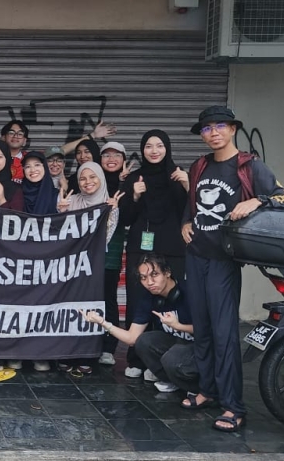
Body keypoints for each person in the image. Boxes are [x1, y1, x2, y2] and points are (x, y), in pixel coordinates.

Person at [182, 106, 284, 432]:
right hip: (196, 256)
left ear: (232, 129)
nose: (213, 132)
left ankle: (233, 406)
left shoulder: (249, 166)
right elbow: (190, 205)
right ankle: (207, 389)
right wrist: (184, 224)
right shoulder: (199, 166)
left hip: (223, 261)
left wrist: (257, 201)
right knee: (201, 329)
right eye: (206, 128)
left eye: (220, 126)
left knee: (223, 334)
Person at [118, 130, 188, 379]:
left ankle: (164, 361)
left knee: (172, 303)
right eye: (149, 146)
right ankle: (136, 359)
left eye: (159, 145)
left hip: (173, 249)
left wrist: (188, 185)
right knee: (139, 301)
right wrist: (135, 195)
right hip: (141, 247)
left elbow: (193, 211)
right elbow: (124, 217)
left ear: (167, 148)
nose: (154, 150)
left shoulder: (178, 174)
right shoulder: (135, 177)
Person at [85, 253, 197, 394]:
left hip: (199, 348)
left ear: (167, 272)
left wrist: (178, 326)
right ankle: (173, 380)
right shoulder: (149, 297)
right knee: (144, 341)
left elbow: (208, 331)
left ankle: (198, 389)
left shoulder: (190, 292)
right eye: (144, 278)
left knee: (173, 356)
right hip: (178, 345)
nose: (149, 282)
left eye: (154, 274)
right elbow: (132, 338)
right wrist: (102, 322)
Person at [56, 161, 124, 375]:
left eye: (92, 177)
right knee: (71, 306)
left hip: (96, 266)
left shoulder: (109, 202)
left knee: (95, 305)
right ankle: (68, 351)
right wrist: (61, 212)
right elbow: (58, 236)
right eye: (83, 178)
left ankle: (88, 353)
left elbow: (105, 237)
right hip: (72, 266)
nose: (87, 182)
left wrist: (111, 213)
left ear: (101, 178)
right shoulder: (71, 200)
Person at [96, 141, 134, 367]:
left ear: (123, 159)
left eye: (116, 155)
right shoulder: (93, 181)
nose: (111, 159)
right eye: (106, 155)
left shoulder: (128, 184)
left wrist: (123, 196)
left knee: (108, 297)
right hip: (88, 253)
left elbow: (129, 217)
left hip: (111, 252)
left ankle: (108, 348)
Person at [20, 151, 60, 215]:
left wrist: (62, 211)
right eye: (28, 166)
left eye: (37, 165)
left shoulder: (56, 195)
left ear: (45, 167)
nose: (32, 170)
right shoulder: (17, 193)